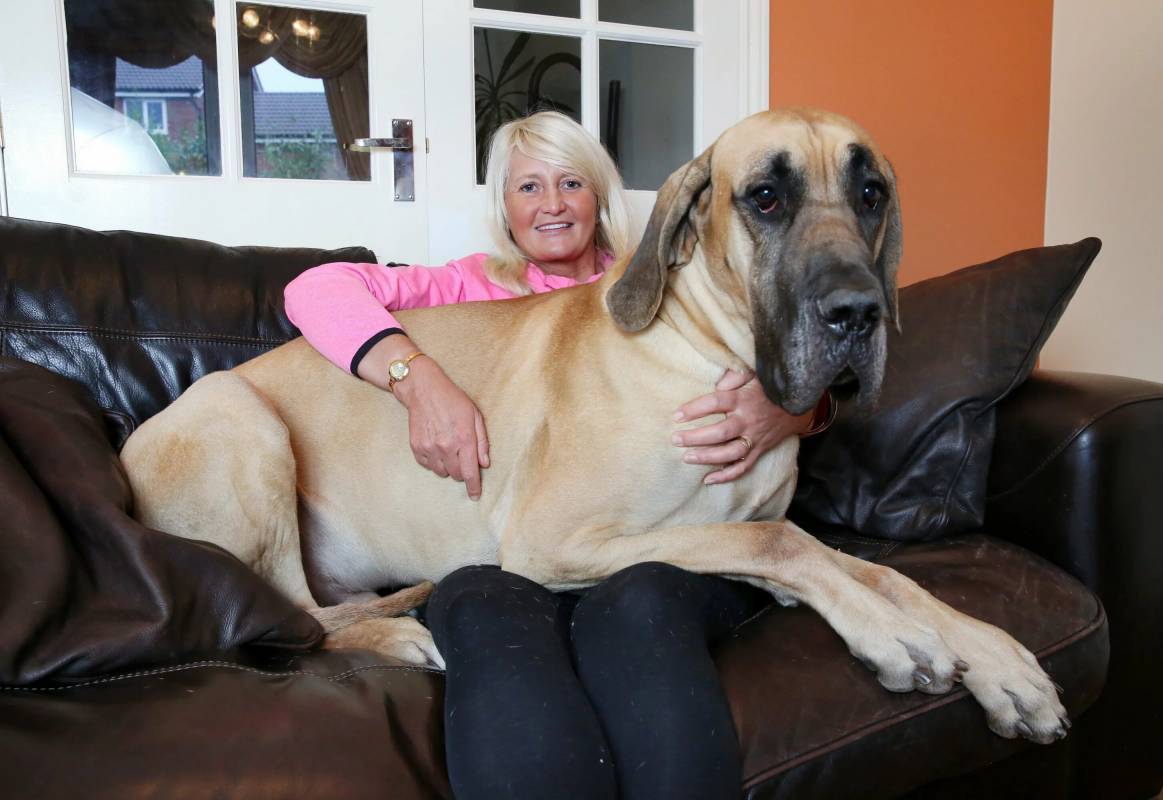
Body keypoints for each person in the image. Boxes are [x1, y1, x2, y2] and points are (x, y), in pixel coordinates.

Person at [284, 111, 820, 800]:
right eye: (528, 187)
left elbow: (789, 345)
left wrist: (793, 410)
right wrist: (418, 378)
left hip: (642, 548)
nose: (552, 204)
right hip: (513, 552)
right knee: (481, 605)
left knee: (637, 611)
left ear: (600, 196)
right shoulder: (465, 288)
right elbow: (314, 289)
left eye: (571, 182)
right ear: (503, 208)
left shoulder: (668, 287)